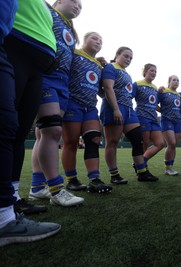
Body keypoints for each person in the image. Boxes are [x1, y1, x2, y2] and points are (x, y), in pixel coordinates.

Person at [1, 0, 60, 247]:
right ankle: (4, 215)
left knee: (16, 130)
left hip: (39, 63)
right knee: (5, 126)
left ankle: (12, 202)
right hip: (16, 46)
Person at [28, 0, 84, 207]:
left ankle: (36, 188)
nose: (78, 6)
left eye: (81, 6)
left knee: (44, 134)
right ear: (59, 1)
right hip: (46, 76)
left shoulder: (70, 28)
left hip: (63, 82)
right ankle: (56, 189)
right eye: (75, 1)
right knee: (51, 131)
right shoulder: (46, 11)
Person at [61, 32, 112, 193]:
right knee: (71, 142)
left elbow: (100, 91)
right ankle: (71, 179)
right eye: (95, 38)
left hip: (90, 107)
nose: (98, 42)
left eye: (101, 40)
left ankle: (94, 179)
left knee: (93, 140)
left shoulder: (98, 65)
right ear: (84, 40)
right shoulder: (73, 52)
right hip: (72, 104)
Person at [100, 47, 158, 183]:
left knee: (138, 139)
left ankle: (142, 172)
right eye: (126, 56)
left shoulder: (126, 73)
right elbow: (107, 88)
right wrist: (115, 109)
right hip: (114, 108)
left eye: (131, 58)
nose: (128, 60)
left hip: (129, 110)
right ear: (117, 55)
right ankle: (114, 175)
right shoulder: (110, 68)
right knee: (112, 141)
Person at [133, 63, 164, 167]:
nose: (154, 73)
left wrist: (164, 111)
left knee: (160, 144)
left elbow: (154, 104)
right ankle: (142, 168)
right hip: (142, 117)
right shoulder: (137, 84)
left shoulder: (155, 88)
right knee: (144, 144)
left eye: (155, 71)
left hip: (154, 119)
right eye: (152, 70)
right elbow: (129, 98)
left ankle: (140, 163)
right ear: (145, 71)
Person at [158, 75, 181, 175]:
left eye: (178, 80)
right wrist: (162, 111)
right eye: (174, 80)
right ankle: (167, 168)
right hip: (167, 120)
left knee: (174, 145)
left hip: (177, 122)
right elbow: (154, 103)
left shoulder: (179, 95)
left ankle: (170, 167)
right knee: (171, 143)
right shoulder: (163, 91)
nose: (176, 82)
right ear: (169, 81)